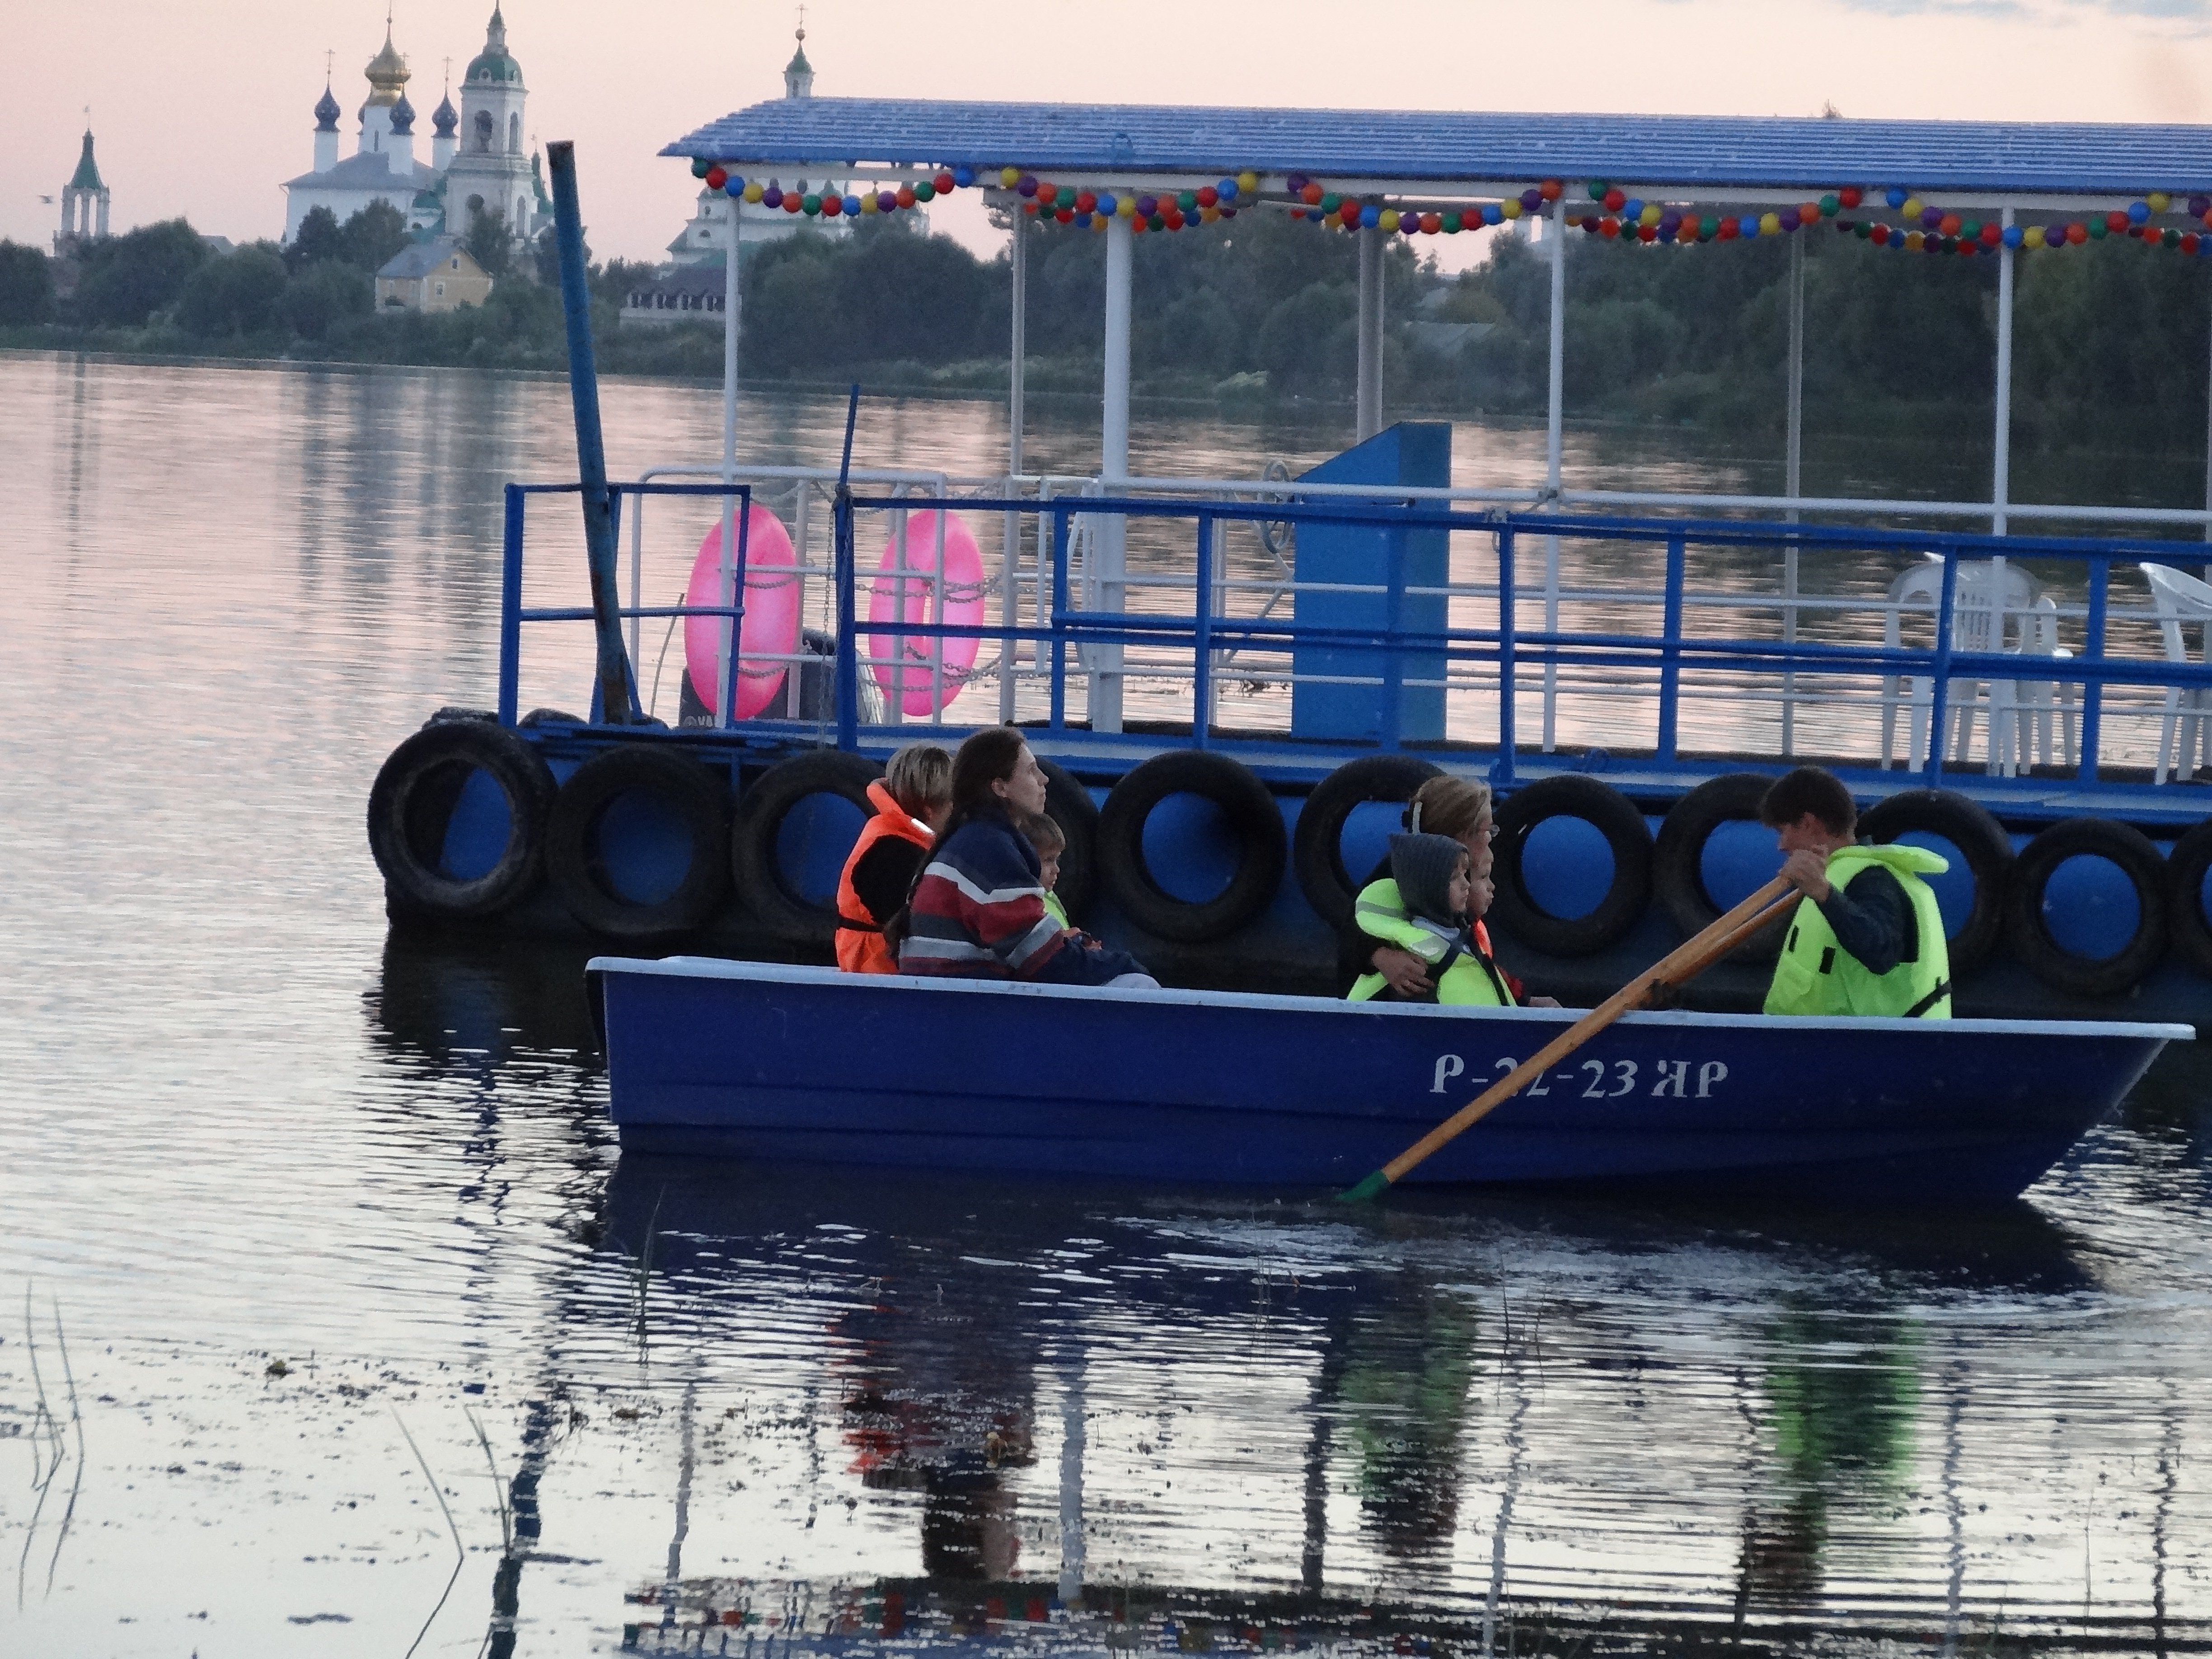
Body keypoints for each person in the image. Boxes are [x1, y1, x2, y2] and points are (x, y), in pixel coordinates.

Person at [899, 727, 1157, 987]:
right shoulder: (990, 850)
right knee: (1137, 985)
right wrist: (1124, 964)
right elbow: (1044, 961)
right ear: (1000, 787)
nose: (1044, 779)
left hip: (951, 998)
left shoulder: (971, 840)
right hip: (971, 1008)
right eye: (1031, 771)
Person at [1337, 775, 1558, 1006]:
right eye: (1489, 830)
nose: (1492, 838)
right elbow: (1355, 930)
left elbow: (1470, 958)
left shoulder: (1458, 884)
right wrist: (1382, 958)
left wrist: (1523, 1000)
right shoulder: (1401, 879)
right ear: (1463, 834)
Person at [1759, 765, 1952, 1019]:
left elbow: (1882, 953)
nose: (1781, 846)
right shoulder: (1834, 876)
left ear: (1808, 824)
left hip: (1879, 1049)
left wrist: (1824, 893)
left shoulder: (1873, 879)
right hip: (1826, 1044)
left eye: (1784, 831)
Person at [1348, 833, 1516, 1006]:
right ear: (1431, 889)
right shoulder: (1417, 963)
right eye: (1453, 878)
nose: (1466, 884)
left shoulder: (1463, 933)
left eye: (1465, 874)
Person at [835, 743, 952, 974]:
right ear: (930, 810)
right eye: (954, 804)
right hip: (880, 975)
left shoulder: (894, 834)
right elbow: (922, 926)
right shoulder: (893, 852)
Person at [1020, 814, 1072, 930]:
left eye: (1057, 860)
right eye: (1048, 860)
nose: (1056, 869)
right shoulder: (1024, 909)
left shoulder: (1048, 896)